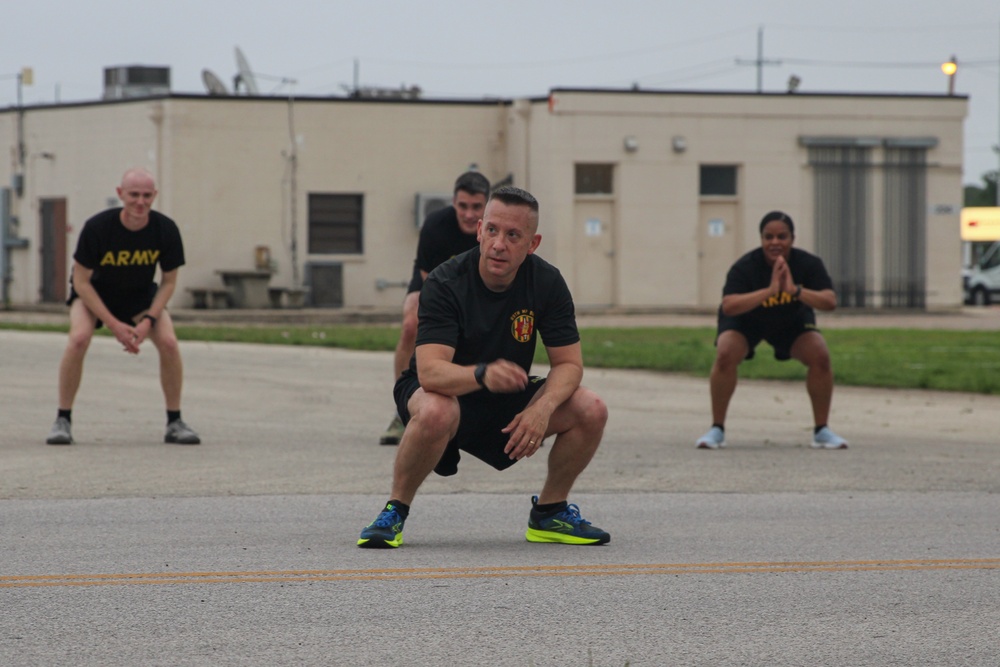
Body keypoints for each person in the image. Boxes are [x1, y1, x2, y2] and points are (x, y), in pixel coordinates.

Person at [358, 185, 610, 548]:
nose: (498, 244)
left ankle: (550, 513)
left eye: (513, 235)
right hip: (443, 390)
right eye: (492, 230)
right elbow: (430, 372)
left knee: (591, 408)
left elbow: (569, 364)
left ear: (532, 243)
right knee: (436, 410)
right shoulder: (446, 281)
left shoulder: (547, 282)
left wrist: (542, 408)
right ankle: (393, 512)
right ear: (479, 230)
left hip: (503, 393)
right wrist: (482, 373)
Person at [44, 167, 200, 446]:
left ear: (155, 196)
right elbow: (81, 283)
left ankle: (175, 421)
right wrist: (114, 325)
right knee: (79, 339)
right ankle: (62, 419)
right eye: (134, 195)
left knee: (169, 343)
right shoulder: (98, 228)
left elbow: (168, 282)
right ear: (120, 194)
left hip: (140, 297)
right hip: (95, 296)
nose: (140, 202)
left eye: (146, 195)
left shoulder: (165, 229)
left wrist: (148, 320)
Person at [696, 210, 848, 451]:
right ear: (761, 239)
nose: (775, 242)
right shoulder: (745, 266)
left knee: (820, 354)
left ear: (792, 239)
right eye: (768, 237)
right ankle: (716, 429)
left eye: (782, 236)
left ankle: (822, 431)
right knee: (725, 354)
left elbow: (829, 301)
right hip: (747, 321)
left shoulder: (808, 263)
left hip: (790, 321)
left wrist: (794, 290)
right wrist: (770, 291)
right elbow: (729, 305)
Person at [379, 170, 490, 445]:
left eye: (476, 207)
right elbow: (432, 286)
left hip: (478, 286)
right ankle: (403, 408)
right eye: (462, 206)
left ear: (487, 205)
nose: (468, 214)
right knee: (410, 325)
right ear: (453, 202)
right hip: (434, 282)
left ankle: (504, 410)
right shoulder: (436, 225)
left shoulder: (493, 229)